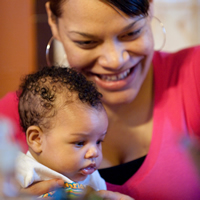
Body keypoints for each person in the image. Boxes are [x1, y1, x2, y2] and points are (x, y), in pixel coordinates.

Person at [0, 0, 199, 199]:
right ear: (53, 21)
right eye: (87, 42)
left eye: (131, 33)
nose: (115, 60)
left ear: (151, 7)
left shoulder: (193, 75)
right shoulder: (9, 120)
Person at [15, 66, 108, 198]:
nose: (94, 152)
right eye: (80, 143)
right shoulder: (22, 170)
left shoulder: (93, 179)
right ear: (37, 139)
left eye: (99, 141)